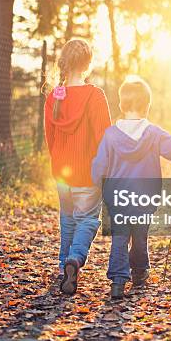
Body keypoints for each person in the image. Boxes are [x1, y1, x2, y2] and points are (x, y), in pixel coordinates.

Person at [92, 77, 171, 300]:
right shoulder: (154, 133)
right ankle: (139, 271)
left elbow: (99, 165)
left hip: (117, 196)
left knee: (120, 236)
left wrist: (95, 183)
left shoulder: (110, 135)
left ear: (121, 105)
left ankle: (118, 282)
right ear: (147, 105)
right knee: (140, 233)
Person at [44, 39, 111, 295]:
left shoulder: (54, 96)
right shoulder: (94, 95)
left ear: (65, 62)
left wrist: (59, 161)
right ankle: (75, 258)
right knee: (89, 220)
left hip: (62, 171)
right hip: (87, 170)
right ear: (87, 63)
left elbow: (49, 136)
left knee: (67, 219)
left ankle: (64, 268)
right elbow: (104, 137)